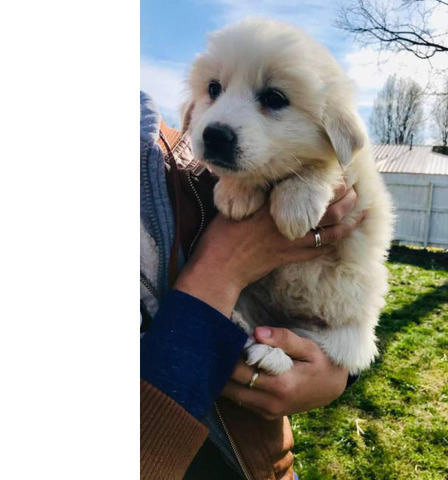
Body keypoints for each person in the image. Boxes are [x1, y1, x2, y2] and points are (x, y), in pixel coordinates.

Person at [140, 91, 362, 479]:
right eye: (214, 90)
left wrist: (337, 367)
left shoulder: (174, 151)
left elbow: (352, 253)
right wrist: (219, 271)